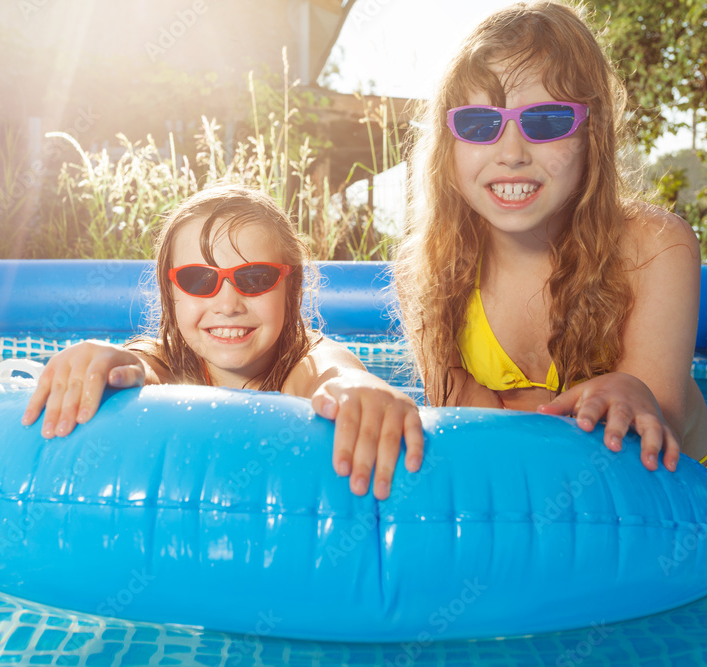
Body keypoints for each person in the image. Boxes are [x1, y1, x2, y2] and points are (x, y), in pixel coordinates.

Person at [394, 0, 707, 473]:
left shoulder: (654, 248)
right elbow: (473, 442)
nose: (511, 153)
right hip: (547, 495)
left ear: (592, 133)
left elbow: (650, 451)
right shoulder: (431, 269)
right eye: (478, 124)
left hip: (681, 503)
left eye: (546, 121)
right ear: (448, 146)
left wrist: (636, 396)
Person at [23, 185, 424, 499]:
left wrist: (358, 386)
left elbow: (333, 370)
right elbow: (139, 366)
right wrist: (106, 362)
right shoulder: (168, 359)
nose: (228, 304)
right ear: (171, 291)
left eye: (255, 278)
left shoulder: (302, 362)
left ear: (292, 286)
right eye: (199, 279)